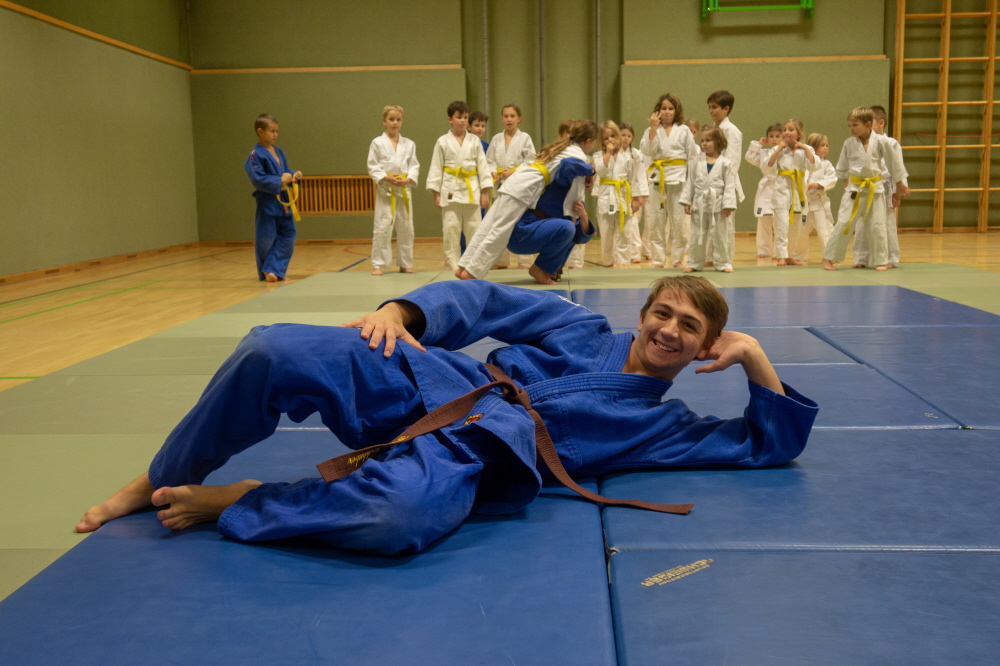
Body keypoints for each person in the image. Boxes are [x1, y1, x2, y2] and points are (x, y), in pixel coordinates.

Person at [76, 276, 819, 556]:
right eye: (663, 313)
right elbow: (487, 301)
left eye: (690, 327)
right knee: (271, 349)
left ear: (704, 347)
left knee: (396, 518)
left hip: (471, 457)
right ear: (644, 311)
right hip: (434, 381)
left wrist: (755, 358)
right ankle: (158, 477)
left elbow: (765, 445)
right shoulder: (582, 326)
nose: (669, 330)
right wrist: (402, 313)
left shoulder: (666, 425)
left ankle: (242, 500)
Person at [456, 120, 598, 285]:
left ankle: (463, 266)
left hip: (516, 183)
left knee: (486, 227)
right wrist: (592, 170)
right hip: (523, 188)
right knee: (499, 233)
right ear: (588, 141)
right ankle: (472, 272)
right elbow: (568, 165)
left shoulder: (564, 147)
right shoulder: (577, 154)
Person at [823, 107, 909, 271]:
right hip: (854, 190)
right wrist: (846, 188)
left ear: (868, 124)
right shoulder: (848, 143)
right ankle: (828, 258)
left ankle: (881, 260)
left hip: (875, 190)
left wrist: (900, 184)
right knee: (844, 223)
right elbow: (843, 169)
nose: (851, 129)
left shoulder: (881, 142)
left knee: (878, 225)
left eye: (855, 125)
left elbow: (894, 163)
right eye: (849, 126)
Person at [426, 101, 493, 271]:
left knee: (474, 229)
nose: (462, 120)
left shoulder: (474, 141)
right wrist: (435, 194)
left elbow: (483, 167)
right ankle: (452, 265)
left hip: (472, 189)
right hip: (450, 190)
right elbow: (436, 167)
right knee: (451, 229)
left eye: (465, 117)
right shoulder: (442, 141)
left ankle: (473, 266)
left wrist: (485, 192)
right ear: (450, 119)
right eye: (459, 117)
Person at [640, 93, 699, 268]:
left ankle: (677, 259)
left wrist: (692, 183)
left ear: (676, 110)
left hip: (678, 180)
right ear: (658, 111)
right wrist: (652, 129)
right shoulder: (651, 130)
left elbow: (693, 157)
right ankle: (658, 260)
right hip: (657, 180)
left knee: (679, 223)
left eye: (670, 108)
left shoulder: (684, 130)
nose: (667, 112)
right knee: (656, 222)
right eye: (664, 108)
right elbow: (647, 152)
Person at [244, 114, 302, 283]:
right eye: (272, 131)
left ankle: (274, 269)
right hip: (267, 200)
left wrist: (293, 175)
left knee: (288, 235)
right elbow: (257, 179)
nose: (275, 134)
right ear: (260, 131)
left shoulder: (279, 152)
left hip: (283, 200)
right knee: (266, 237)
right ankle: (267, 272)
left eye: (277, 131)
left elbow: (284, 172)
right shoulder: (255, 155)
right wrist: (279, 180)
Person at [851, 105, 908, 269]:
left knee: (885, 224)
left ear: (881, 123)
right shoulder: (860, 143)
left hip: (884, 188)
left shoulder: (891, 143)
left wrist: (897, 192)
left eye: (870, 123)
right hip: (865, 187)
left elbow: (897, 167)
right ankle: (861, 257)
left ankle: (890, 258)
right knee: (862, 223)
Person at [367, 104, 419, 276]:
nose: (395, 123)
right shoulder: (377, 142)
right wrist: (386, 177)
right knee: (382, 226)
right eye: (391, 119)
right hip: (386, 190)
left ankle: (405, 263)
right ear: (384, 121)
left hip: (403, 190)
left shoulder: (409, 144)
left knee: (406, 227)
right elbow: (372, 166)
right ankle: (378, 264)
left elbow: (414, 165)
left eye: (398, 119)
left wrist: (409, 178)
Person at [762, 118, 819, 266]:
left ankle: (789, 256)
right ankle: (780, 256)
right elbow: (767, 167)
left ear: (799, 133)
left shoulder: (806, 149)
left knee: (795, 227)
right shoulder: (777, 149)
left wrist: (805, 148)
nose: (787, 132)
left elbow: (813, 166)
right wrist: (778, 149)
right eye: (785, 130)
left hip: (798, 191)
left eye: (791, 130)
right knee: (781, 225)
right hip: (782, 190)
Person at [487, 104, 537, 270]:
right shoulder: (496, 139)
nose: (509, 119)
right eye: (506, 116)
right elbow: (489, 160)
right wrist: (493, 172)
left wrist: (514, 171)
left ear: (519, 118)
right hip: (501, 185)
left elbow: (531, 161)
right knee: (499, 223)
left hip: (519, 186)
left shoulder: (525, 138)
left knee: (521, 222)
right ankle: (501, 260)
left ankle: (525, 261)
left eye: (512, 116)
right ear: (502, 118)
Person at [681, 126, 737, 273]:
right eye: (702, 140)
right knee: (696, 235)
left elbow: (729, 185)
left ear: (718, 141)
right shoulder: (696, 161)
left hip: (718, 204)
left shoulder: (725, 162)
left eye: (708, 140)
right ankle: (694, 263)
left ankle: (723, 263)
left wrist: (728, 204)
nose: (704, 143)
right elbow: (690, 182)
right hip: (699, 203)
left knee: (720, 235)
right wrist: (687, 201)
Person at [592, 120, 648, 267]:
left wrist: (635, 199)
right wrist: (608, 154)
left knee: (625, 234)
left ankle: (623, 263)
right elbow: (599, 171)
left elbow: (633, 179)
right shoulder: (598, 155)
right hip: (606, 198)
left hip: (623, 197)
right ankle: (608, 263)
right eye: (606, 138)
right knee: (606, 235)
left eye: (613, 136)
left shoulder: (627, 156)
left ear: (618, 136)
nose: (610, 140)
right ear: (601, 141)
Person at [792, 132, 837, 264]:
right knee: (800, 232)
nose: (825, 148)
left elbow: (832, 179)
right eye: (822, 145)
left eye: (826, 145)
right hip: (804, 204)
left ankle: (830, 256)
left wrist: (818, 184)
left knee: (825, 231)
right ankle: (799, 256)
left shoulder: (827, 164)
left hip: (819, 205)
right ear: (812, 147)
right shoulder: (803, 163)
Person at [745, 123, 783, 264]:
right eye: (771, 136)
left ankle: (779, 251)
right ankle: (764, 249)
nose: (774, 139)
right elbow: (749, 157)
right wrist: (758, 145)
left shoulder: (785, 152)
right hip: (766, 189)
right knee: (763, 221)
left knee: (779, 221)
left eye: (777, 136)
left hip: (780, 187)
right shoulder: (764, 153)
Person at [707, 90, 746, 206]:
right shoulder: (711, 130)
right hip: (710, 179)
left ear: (726, 109)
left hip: (724, 182)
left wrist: (724, 182)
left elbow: (733, 161)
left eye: (714, 107)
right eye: (709, 107)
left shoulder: (731, 130)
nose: (710, 111)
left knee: (724, 216)